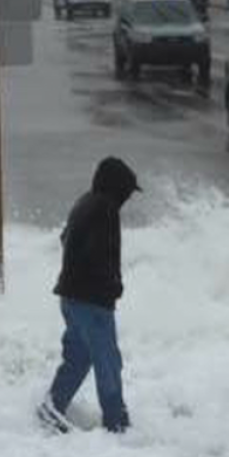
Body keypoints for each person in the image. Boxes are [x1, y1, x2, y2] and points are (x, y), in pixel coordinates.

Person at [37, 157, 141, 435]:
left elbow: (65, 238)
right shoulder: (106, 208)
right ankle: (116, 423)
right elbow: (101, 252)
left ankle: (52, 407)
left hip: (70, 297)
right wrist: (111, 284)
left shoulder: (85, 202)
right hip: (92, 301)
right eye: (127, 192)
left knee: (79, 357)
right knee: (107, 360)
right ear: (117, 187)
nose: (127, 199)